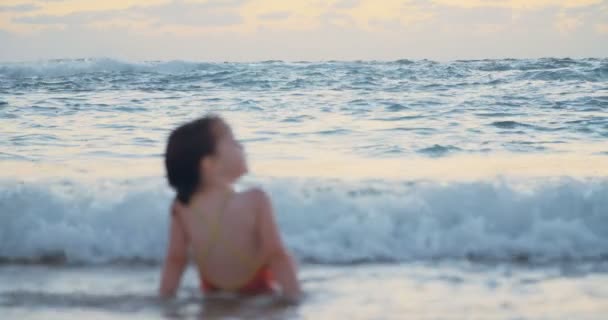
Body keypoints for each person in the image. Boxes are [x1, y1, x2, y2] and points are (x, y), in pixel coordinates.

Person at [159, 115, 301, 303]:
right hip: (259, 290)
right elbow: (277, 254)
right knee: (289, 258)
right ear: (209, 164)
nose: (241, 147)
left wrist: (165, 302)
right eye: (233, 142)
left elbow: (175, 260)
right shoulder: (256, 199)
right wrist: (295, 297)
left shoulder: (182, 207)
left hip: (212, 293)